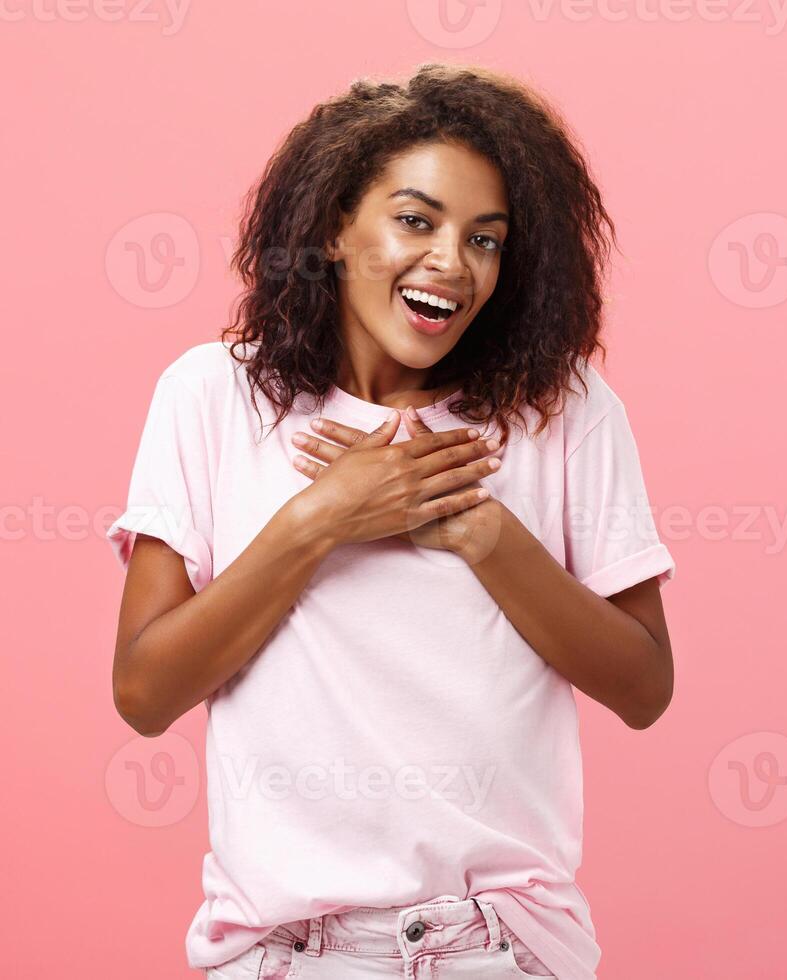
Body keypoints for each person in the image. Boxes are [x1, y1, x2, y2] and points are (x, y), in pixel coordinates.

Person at [106, 64, 673, 980]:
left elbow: (645, 686)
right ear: (334, 227)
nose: (452, 262)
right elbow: (144, 692)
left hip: (501, 947)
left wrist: (487, 536)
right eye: (416, 221)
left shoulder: (560, 410)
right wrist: (321, 519)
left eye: (485, 239)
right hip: (282, 954)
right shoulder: (212, 396)